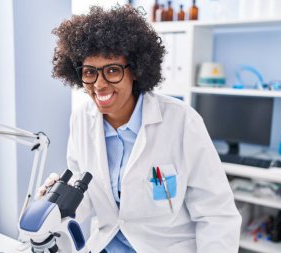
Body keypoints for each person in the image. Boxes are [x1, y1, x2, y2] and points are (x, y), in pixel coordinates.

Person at [38, 5, 241, 253]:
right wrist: (57, 204)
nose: (99, 85)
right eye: (89, 72)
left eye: (112, 70)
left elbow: (217, 215)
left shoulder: (182, 122)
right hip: (105, 244)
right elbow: (87, 195)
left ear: (134, 70)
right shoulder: (81, 119)